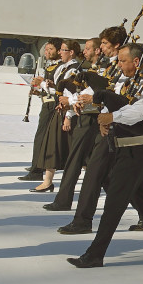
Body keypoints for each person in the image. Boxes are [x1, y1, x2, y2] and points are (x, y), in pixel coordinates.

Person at [67, 44, 143, 267]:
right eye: (119, 60)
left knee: (114, 203)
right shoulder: (125, 81)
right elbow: (111, 101)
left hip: (136, 149)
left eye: (123, 61)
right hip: (122, 146)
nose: (119, 64)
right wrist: (103, 118)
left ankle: (95, 254)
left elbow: (139, 112)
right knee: (142, 200)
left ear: (136, 62)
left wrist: (112, 117)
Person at [56, 26, 124, 234]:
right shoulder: (107, 65)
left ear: (117, 46)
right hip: (101, 122)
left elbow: (112, 94)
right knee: (106, 177)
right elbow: (94, 90)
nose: (101, 47)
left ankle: (83, 221)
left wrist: (76, 100)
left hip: (114, 125)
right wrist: (78, 100)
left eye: (104, 44)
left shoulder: (121, 68)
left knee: (98, 174)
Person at [45, 39, 109, 213]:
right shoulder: (91, 68)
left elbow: (95, 93)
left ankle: (64, 201)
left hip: (95, 118)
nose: (85, 51)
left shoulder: (104, 69)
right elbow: (83, 92)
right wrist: (70, 105)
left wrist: (70, 102)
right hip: (85, 116)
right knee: (81, 162)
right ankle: (63, 200)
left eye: (88, 48)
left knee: (88, 164)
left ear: (97, 51)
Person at [30, 40, 78, 193]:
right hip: (59, 109)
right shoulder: (63, 68)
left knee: (76, 152)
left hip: (66, 110)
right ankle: (47, 181)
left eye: (63, 50)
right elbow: (58, 90)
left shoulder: (74, 69)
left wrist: (68, 116)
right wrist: (43, 88)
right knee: (52, 145)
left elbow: (70, 92)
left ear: (71, 52)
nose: (60, 52)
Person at [20, 40, 61, 182]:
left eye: (50, 49)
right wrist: (39, 92)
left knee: (41, 137)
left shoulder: (60, 67)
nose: (46, 52)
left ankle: (36, 169)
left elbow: (58, 89)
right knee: (42, 137)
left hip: (52, 106)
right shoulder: (51, 66)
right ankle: (37, 165)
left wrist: (41, 83)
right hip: (47, 103)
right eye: (46, 49)